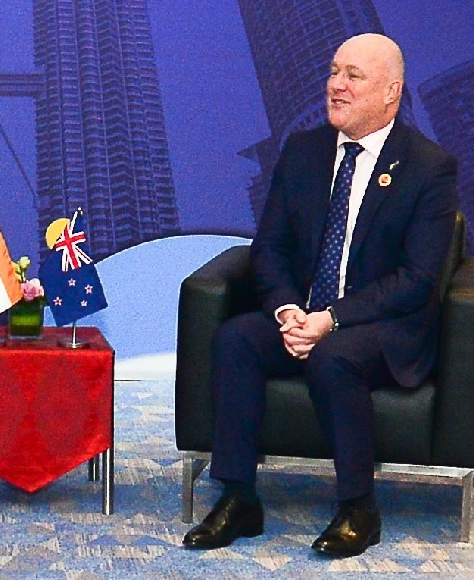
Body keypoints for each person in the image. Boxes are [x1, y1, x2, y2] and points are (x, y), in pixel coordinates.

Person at [182, 34, 458, 557]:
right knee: (237, 339)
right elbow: (270, 247)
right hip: (305, 314)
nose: (336, 85)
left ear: (391, 92)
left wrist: (330, 318)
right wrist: (288, 310)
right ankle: (239, 497)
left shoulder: (428, 166)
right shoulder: (303, 151)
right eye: (334, 72)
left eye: (353, 75)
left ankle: (359, 507)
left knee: (334, 357)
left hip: (383, 325)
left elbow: (418, 280)